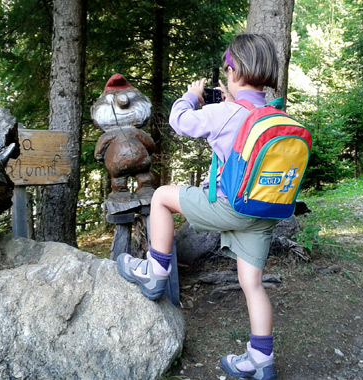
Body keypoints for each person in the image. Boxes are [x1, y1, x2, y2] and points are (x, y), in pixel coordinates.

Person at [117, 33, 279, 380]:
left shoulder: (223, 112)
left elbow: (180, 122)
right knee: (252, 282)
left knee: (161, 196)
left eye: (226, 71)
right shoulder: (273, 112)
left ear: (234, 73)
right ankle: (261, 360)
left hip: (228, 205)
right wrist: (226, 100)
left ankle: (154, 272)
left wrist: (191, 97)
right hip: (264, 211)